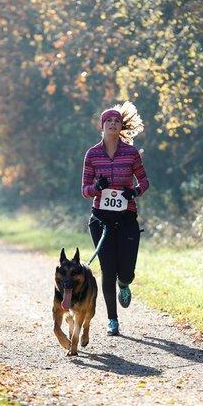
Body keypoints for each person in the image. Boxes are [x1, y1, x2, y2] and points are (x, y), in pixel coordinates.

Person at [81, 102, 149, 336]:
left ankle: (125, 284)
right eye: (108, 121)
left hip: (127, 217)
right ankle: (112, 320)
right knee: (107, 270)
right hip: (101, 219)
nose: (112, 124)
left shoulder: (131, 153)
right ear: (102, 126)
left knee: (126, 271)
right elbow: (85, 190)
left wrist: (135, 192)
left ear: (121, 126)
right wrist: (96, 187)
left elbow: (144, 182)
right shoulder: (92, 154)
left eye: (116, 121)